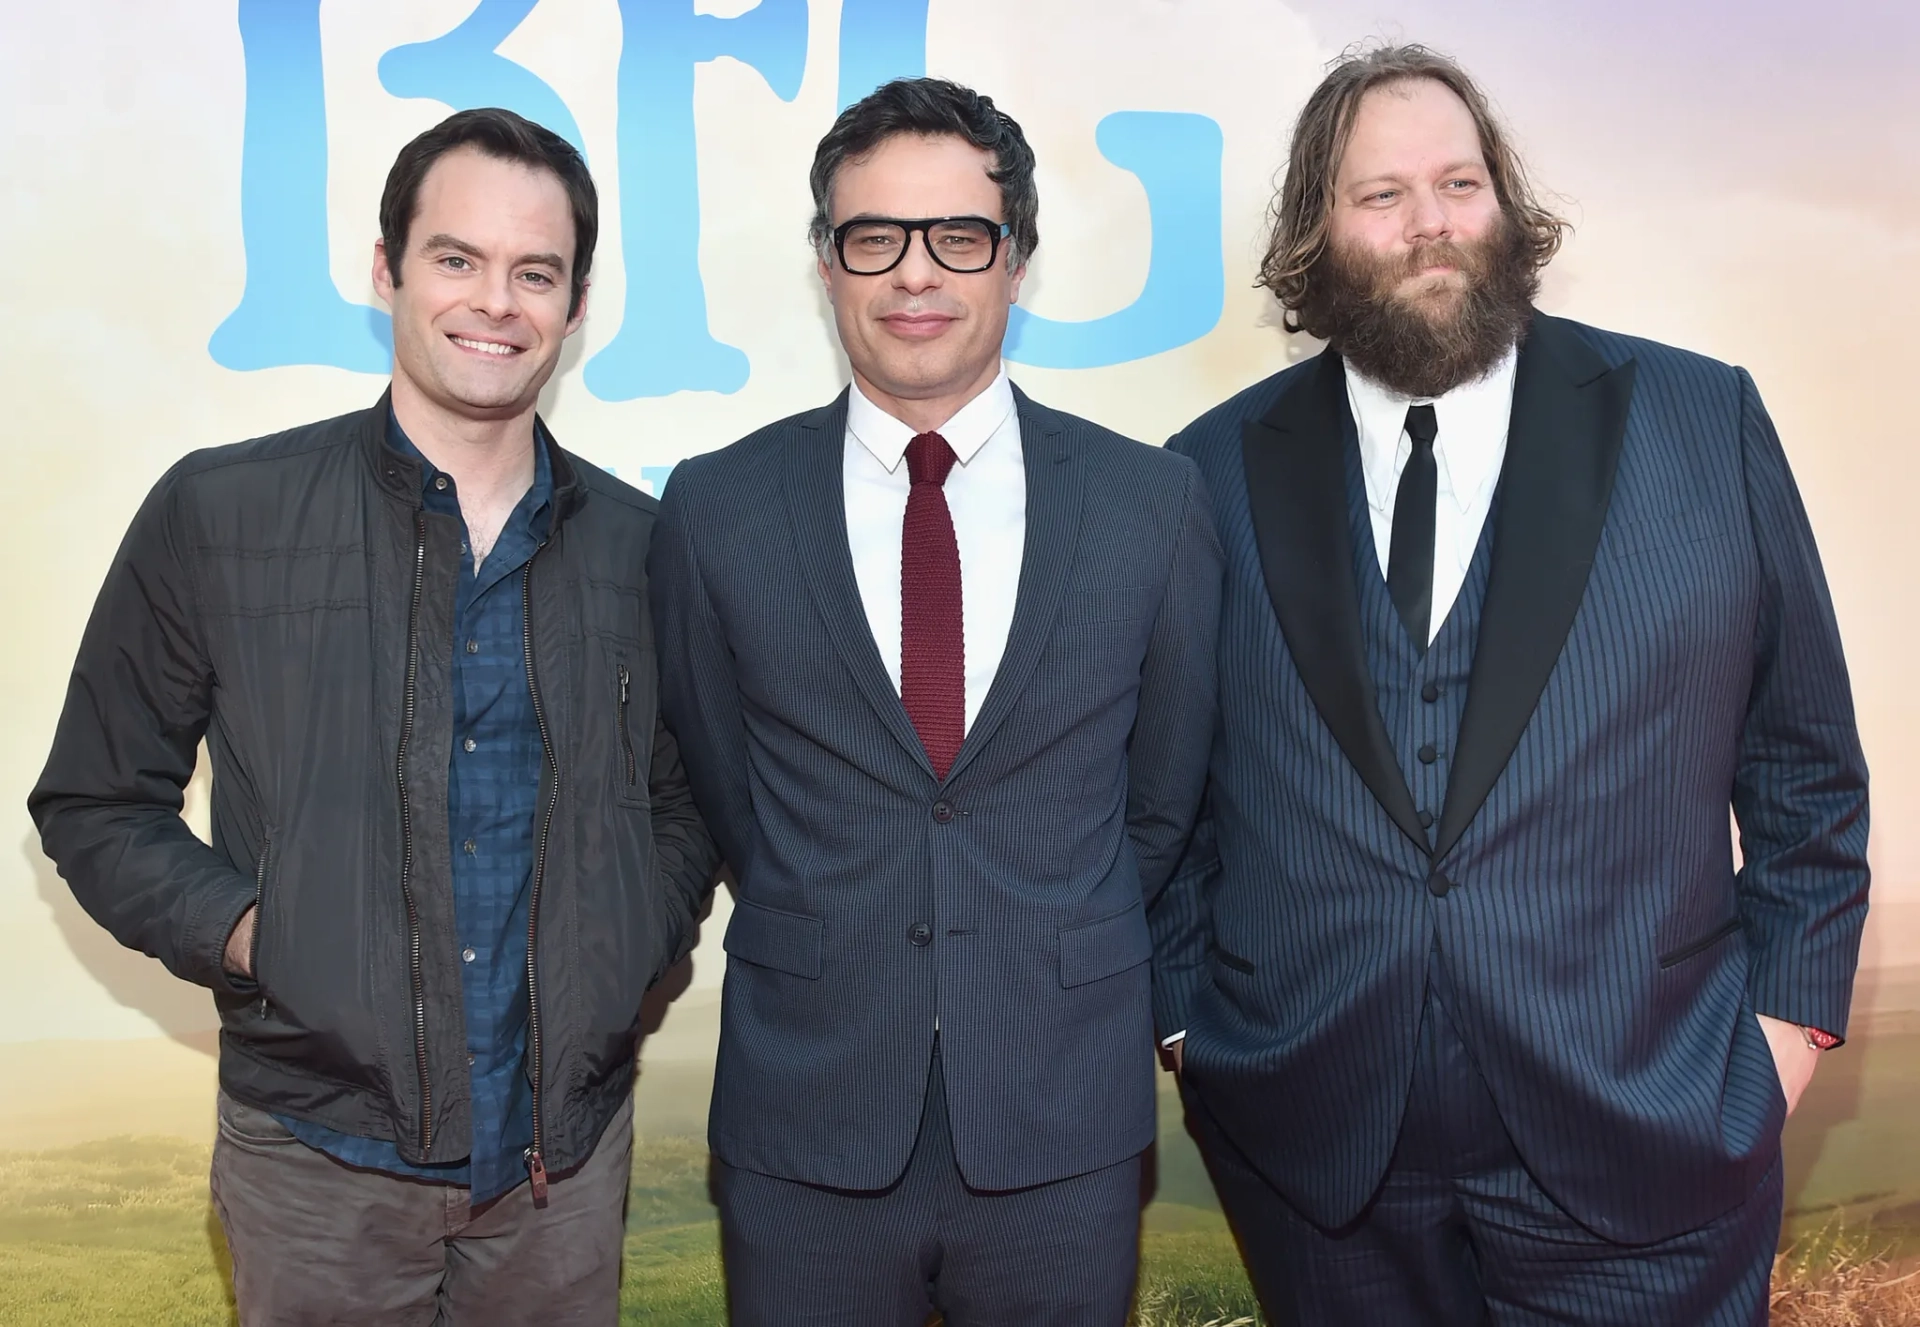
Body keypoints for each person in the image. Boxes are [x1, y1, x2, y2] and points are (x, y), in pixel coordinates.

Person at [1153, 44, 1870, 1326]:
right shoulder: (1203, 477)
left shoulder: (1704, 423)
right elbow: (1158, 804)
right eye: (1382, 196)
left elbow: (1806, 769)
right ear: (1318, 236)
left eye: (1461, 182)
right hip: (1323, 1175)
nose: (1431, 224)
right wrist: (1192, 1040)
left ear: (1505, 204)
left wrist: (1785, 1038)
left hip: (1654, 1146)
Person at [29, 107, 717, 1325]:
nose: (494, 301)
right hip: (315, 1166)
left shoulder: (648, 549)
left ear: (576, 299)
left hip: (564, 1174)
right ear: (385, 268)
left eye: (535, 271)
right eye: (456, 259)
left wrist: (626, 947)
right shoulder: (219, 513)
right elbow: (95, 802)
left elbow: (684, 803)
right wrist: (260, 935)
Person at [650, 77, 1222, 1325]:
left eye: (960, 236)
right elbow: (728, 790)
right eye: (875, 237)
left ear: (1016, 262)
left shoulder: (1152, 507)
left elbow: (1162, 803)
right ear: (827, 264)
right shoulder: (717, 509)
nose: (918, 275)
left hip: (1062, 1115)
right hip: (805, 1114)